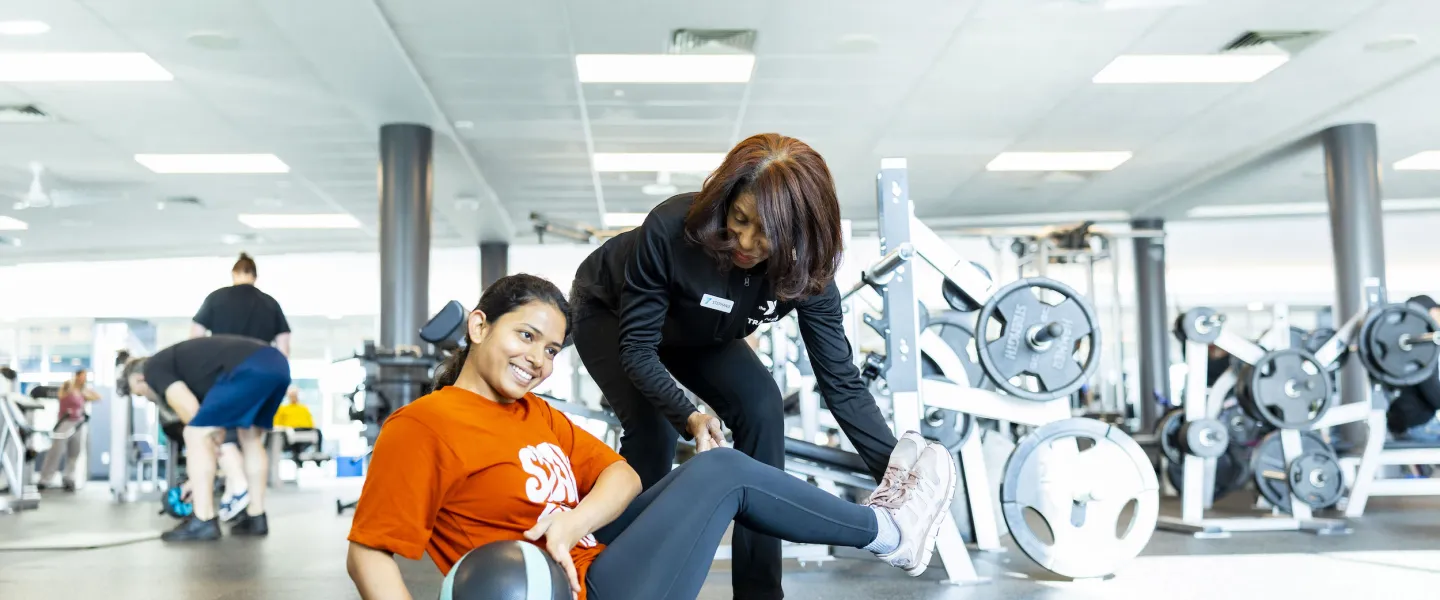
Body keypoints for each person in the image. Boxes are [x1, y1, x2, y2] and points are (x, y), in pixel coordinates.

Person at [346, 274, 955, 600]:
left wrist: (572, 522)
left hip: (603, 569)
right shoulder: (423, 427)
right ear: (479, 326)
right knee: (721, 470)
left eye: (553, 349)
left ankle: (890, 532)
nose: (538, 359)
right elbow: (368, 552)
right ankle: (892, 533)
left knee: (711, 469)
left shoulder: (536, 414)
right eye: (525, 336)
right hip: (568, 592)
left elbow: (624, 475)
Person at [569, 133, 897, 599]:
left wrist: (901, 477)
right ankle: (602, 575)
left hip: (702, 328)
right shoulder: (670, 226)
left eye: (764, 234)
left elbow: (841, 383)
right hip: (612, 311)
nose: (744, 241)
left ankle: (760, 591)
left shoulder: (809, 276)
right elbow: (639, 350)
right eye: (738, 219)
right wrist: (691, 415)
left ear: (797, 236)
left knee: (762, 405)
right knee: (655, 429)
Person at [120, 334, 291, 541]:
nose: (147, 399)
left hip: (248, 366)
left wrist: (198, 474)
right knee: (250, 437)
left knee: (193, 433)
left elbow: (192, 413)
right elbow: (214, 429)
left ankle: (203, 519)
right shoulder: (189, 370)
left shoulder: (153, 369)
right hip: (277, 364)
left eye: (140, 394)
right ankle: (256, 517)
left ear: (139, 379)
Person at [191, 252, 292, 521]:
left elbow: (196, 338)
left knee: (214, 434)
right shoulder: (270, 303)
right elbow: (283, 347)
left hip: (227, 372)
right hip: (265, 372)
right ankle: (257, 513)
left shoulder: (216, 298)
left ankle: (238, 489)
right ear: (255, 276)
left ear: (234, 274)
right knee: (251, 439)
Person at [1387, 295, 1440, 442]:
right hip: (1419, 424)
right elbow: (1432, 390)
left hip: (1400, 421)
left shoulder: (1401, 347)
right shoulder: (1422, 348)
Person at [37, 369, 99, 491]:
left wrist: (84, 390)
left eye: (85, 377)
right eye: (82, 376)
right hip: (65, 422)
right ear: (76, 376)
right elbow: (61, 394)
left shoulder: (82, 392)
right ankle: (45, 479)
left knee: (75, 452)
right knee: (56, 452)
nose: (83, 379)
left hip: (78, 424)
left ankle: (68, 478)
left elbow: (97, 397)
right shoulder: (67, 387)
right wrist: (74, 386)